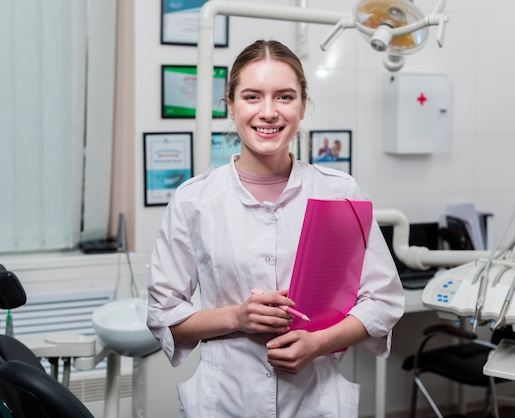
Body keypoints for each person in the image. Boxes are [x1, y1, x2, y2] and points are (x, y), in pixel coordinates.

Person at [147, 39, 404, 417]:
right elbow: (163, 315)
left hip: (315, 398)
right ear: (231, 106)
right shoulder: (194, 200)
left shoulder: (339, 192)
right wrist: (237, 317)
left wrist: (318, 343)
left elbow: (383, 301)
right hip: (226, 400)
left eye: (284, 97)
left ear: (302, 107)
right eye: (252, 97)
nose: (268, 112)